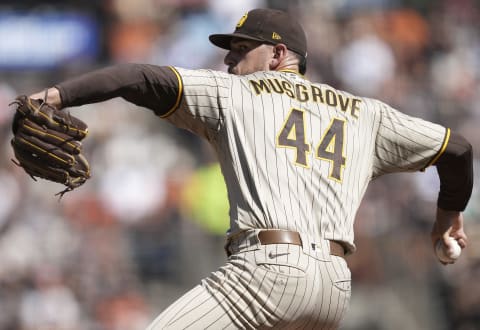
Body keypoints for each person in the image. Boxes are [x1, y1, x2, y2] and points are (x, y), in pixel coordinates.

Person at [28, 8, 473, 329]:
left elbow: (141, 79)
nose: (229, 60)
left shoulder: (239, 92)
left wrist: (57, 96)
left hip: (266, 271)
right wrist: (447, 219)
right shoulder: (364, 112)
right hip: (335, 287)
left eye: (241, 49)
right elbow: (458, 150)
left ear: (278, 56)